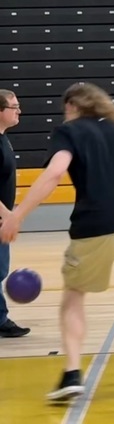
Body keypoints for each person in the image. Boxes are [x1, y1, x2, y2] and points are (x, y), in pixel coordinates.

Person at [0, 83, 114, 406]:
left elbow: (55, 173)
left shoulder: (69, 132)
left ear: (72, 106)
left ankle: (71, 375)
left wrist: (18, 215)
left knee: (73, 297)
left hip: (96, 221)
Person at [0, 89, 30, 338]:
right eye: (13, 106)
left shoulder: (3, 139)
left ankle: (1, 319)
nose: (19, 111)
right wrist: (7, 215)